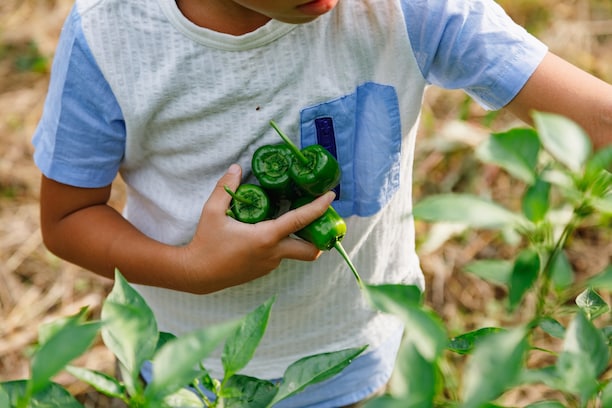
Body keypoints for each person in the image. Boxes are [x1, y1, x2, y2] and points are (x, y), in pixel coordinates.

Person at [32, 0, 612, 406]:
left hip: (358, 351)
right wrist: (192, 270)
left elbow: (598, 118)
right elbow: (67, 218)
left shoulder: (410, 9)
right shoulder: (113, 35)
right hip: (187, 373)